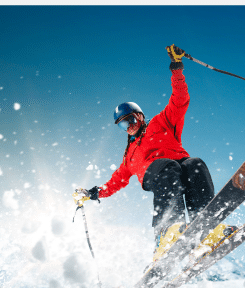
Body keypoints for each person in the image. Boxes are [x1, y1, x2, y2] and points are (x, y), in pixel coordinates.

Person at [86, 44, 215, 247]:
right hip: (157, 173)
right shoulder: (130, 156)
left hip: (178, 163)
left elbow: (180, 99)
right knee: (168, 167)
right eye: (122, 126)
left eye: (130, 120)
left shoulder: (160, 122)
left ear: (140, 116)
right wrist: (95, 192)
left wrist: (177, 69)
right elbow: (115, 182)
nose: (128, 127)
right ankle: (167, 231)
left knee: (194, 164)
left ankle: (207, 226)